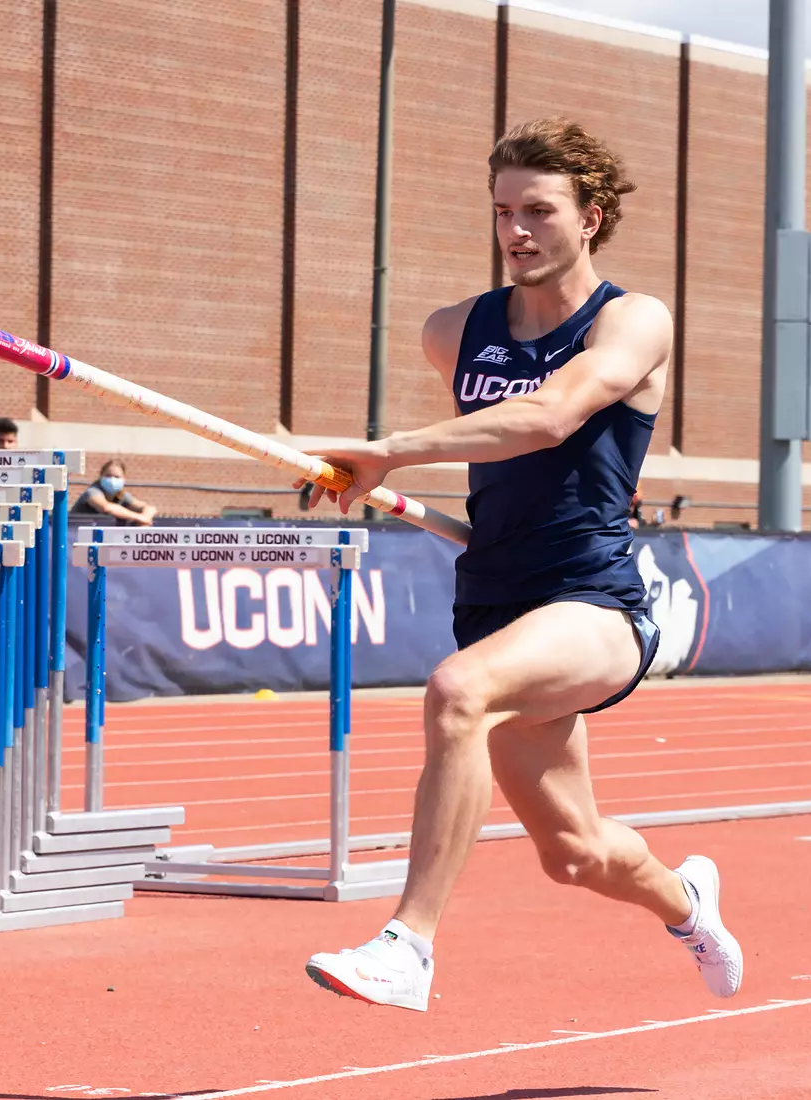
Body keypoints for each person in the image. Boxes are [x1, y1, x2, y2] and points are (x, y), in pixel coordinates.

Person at [298, 118, 741, 1012]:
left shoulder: (632, 320)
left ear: (592, 217)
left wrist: (391, 449)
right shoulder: (455, 330)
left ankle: (408, 945)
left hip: (595, 606)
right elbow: (506, 446)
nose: (517, 232)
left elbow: (548, 418)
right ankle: (689, 902)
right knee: (574, 854)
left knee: (458, 691)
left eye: (539, 210)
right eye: (503, 212)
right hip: (495, 597)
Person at [73, 459, 156, 526]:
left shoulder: (120, 495)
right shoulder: (92, 492)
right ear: (101, 476)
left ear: (124, 479)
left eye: (117, 477)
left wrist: (146, 518)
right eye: (108, 476)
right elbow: (106, 507)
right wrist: (138, 517)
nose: (112, 480)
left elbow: (149, 507)